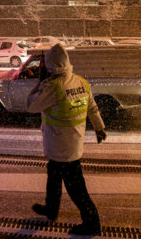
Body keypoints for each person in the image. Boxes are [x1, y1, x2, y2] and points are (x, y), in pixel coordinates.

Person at [26, 43, 107, 236]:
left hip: (59, 145)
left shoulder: (53, 87)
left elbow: (31, 105)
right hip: (72, 143)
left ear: (51, 66)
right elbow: (93, 108)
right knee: (53, 177)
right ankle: (51, 209)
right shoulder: (80, 82)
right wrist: (99, 128)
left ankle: (92, 222)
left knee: (76, 188)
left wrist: (40, 81)